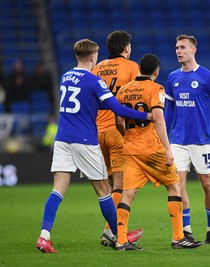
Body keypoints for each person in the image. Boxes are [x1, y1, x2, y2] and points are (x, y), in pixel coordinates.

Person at [35, 39, 152, 253]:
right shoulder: (94, 81)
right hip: (85, 141)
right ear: (93, 57)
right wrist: (148, 115)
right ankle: (120, 237)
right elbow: (118, 109)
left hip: (62, 139)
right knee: (103, 190)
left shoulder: (66, 76)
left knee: (58, 190)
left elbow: (85, 102)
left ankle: (44, 236)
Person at [114, 54, 202, 250]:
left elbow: (118, 121)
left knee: (127, 193)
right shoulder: (156, 89)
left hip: (130, 149)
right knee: (174, 186)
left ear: (139, 70)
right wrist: (168, 149)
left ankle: (120, 239)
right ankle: (178, 237)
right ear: (156, 71)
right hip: (152, 149)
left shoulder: (123, 90)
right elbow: (158, 118)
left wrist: (127, 135)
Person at [164, 34, 210, 244]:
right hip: (177, 141)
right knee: (178, 185)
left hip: (202, 140)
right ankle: (186, 229)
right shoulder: (172, 77)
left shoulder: (208, 77)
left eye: (182, 47)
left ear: (193, 50)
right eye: (176, 47)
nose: (178, 51)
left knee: (207, 184)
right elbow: (169, 110)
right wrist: (163, 137)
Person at [92, 30, 143, 247]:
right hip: (116, 131)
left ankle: (113, 230)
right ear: (126, 48)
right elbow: (136, 95)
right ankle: (113, 231)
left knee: (112, 184)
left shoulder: (97, 67)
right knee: (121, 186)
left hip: (96, 132)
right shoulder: (131, 67)